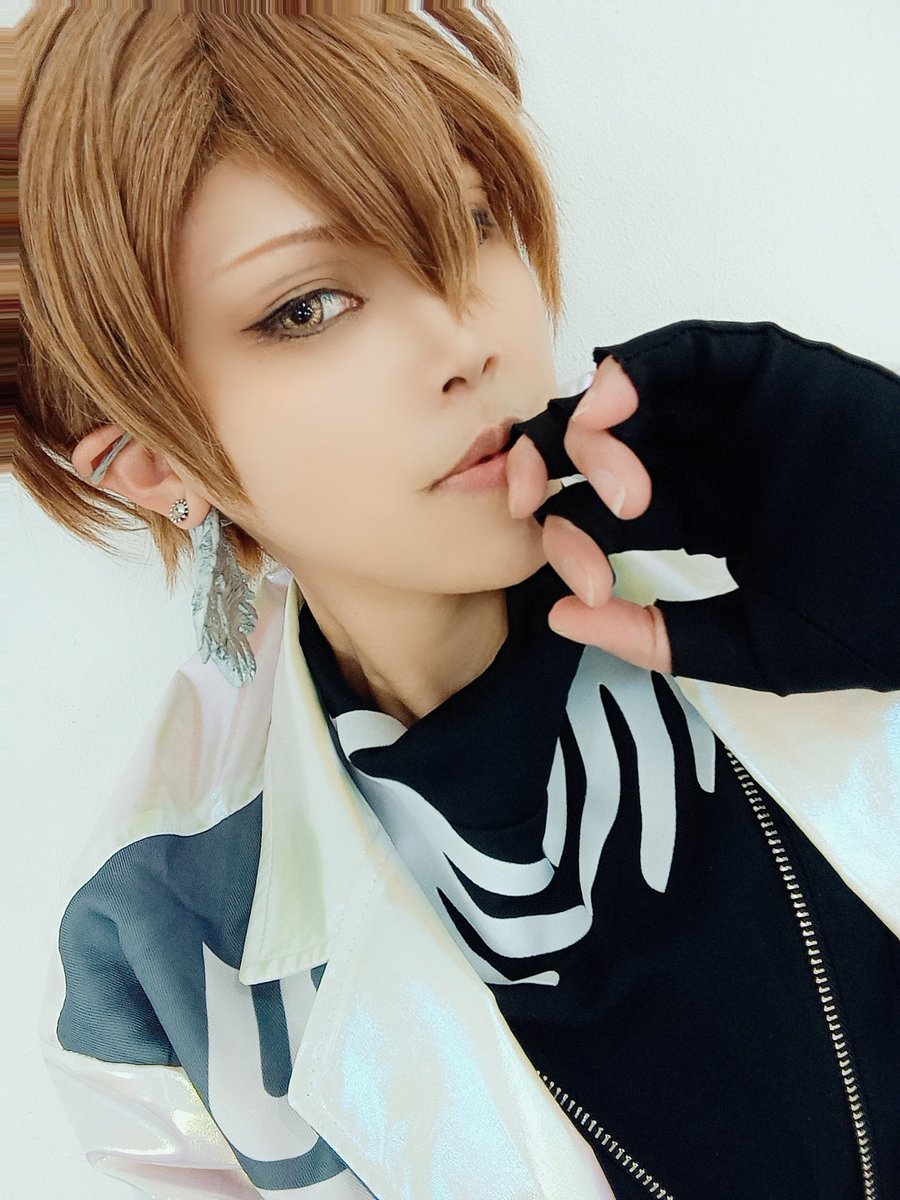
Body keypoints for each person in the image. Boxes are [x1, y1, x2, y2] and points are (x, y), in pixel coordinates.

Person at [16, 5, 900, 1200]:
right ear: (150, 462)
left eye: (472, 220)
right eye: (307, 306)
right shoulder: (163, 956)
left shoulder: (808, 557)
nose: (462, 340)